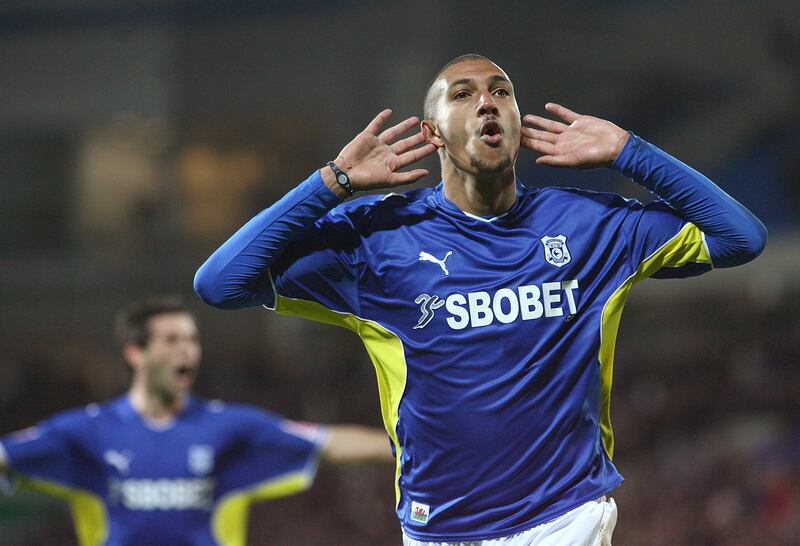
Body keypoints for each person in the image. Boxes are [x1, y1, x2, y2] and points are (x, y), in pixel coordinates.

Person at [193, 54, 767, 545]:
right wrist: (332, 183)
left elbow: (740, 238)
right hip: (437, 529)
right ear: (432, 131)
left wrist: (630, 153)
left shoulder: (590, 225)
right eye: (463, 95)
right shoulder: (374, 240)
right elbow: (221, 283)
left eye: (501, 93)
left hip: (565, 519)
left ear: (517, 123)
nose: (487, 103)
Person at [0, 296, 393, 546]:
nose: (186, 350)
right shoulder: (86, 432)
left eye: (192, 340)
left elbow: (328, 443)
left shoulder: (229, 428)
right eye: (171, 340)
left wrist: (419, 448)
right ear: (135, 353)